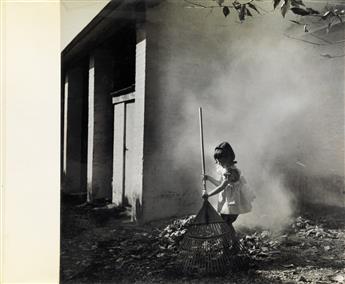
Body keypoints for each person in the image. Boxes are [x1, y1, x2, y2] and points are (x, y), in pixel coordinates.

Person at [202, 142, 255, 253]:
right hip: (227, 201)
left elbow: (222, 186)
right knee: (224, 224)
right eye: (216, 159)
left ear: (228, 158)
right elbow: (219, 184)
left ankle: (233, 245)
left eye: (220, 159)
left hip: (233, 203)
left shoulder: (232, 172)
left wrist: (208, 194)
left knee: (226, 224)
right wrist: (209, 178)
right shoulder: (225, 170)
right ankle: (227, 245)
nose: (218, 162)